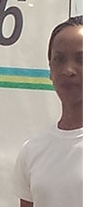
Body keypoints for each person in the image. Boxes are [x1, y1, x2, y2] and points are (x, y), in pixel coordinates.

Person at [13, 15, 82, 207]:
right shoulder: (32, 150)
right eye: (59, 60)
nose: (68, 70)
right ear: (50, 70)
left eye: (82, 59)